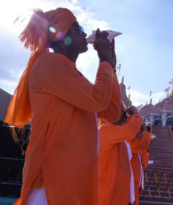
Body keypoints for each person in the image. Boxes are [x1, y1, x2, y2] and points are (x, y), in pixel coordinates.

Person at [4, 8, 121, 205]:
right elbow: (99, 100)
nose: (85, 33)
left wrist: (111, 66)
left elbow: (111, 112)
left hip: (72, 181)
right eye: (78, 28)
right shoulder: (49, 64)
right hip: (51, 184)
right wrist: (104, 61)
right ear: (59, 35)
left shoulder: (71, 74)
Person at [98, 105, 141, 205]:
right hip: (108, 196)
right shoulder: (104, 130)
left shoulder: (121, 139)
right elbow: (130, 131)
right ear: (111, 114)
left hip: (121, 196)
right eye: (122, 109)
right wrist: (135, 114)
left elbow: (127, 128)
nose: (124, 112)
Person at [128, 123, 153, 205]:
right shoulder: (129, 144)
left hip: (136, 184)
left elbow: (144, 164)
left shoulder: (140, 150)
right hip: (129, 183)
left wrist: (147, 150)